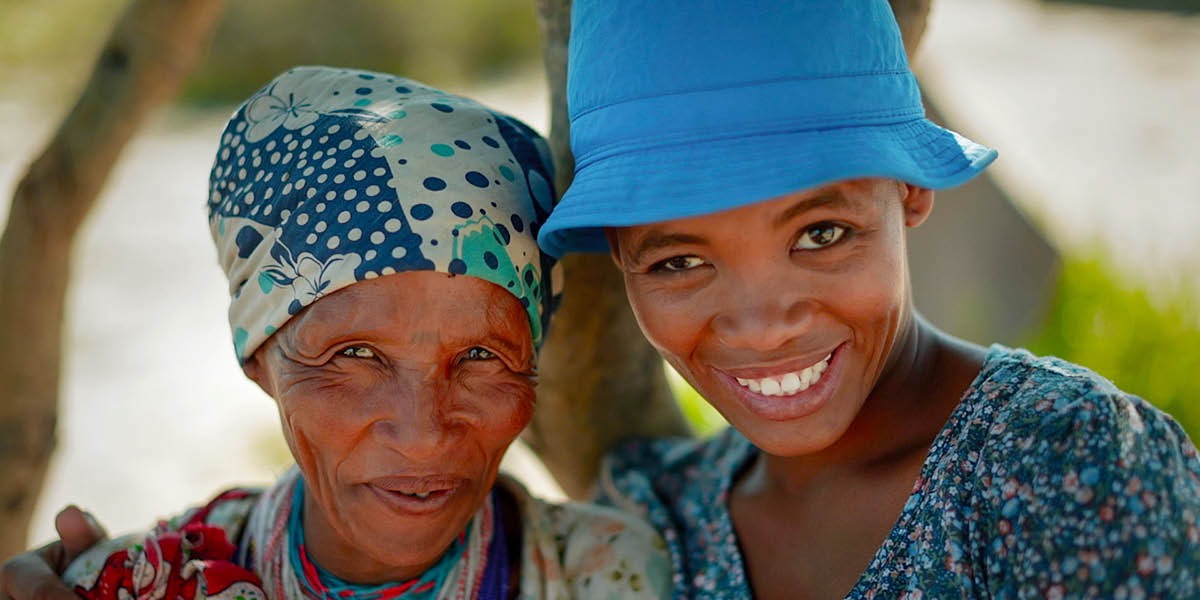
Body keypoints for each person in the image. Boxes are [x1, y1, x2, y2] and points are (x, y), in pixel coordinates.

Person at [533, 1, 1200, 598]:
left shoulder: (1065, 461)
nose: (764, 328)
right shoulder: (654, 520)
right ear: (619, 252)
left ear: (910, 188)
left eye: (820, 234)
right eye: (680, 262)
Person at [0, 65, 670, 600]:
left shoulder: (612, 576)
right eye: (355, 355)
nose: (423, 434)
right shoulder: (148, 585)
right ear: (259, 358)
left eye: (480, 355)